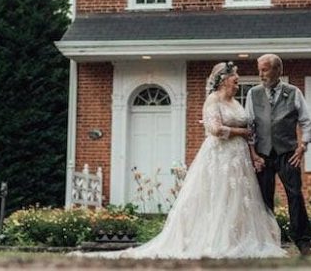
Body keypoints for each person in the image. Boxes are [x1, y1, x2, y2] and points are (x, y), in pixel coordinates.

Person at [76, 61, 286, 259]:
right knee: (218, 198)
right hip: (220, 156)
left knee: (239, 200)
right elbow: (214, 129)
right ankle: (215, 241)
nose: (237, 81)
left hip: (239, 159)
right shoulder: (213, 100)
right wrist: (241, 131)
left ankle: (238, 239)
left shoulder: (236, 102)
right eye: (235, 78)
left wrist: (253, 154)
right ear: (224, 80)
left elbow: (250, 133)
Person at [245, 54, 311, 256]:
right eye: (259, 70)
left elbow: (306, 122)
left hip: (288, 152)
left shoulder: (293, 92)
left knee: (295, 194)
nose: (261, 74)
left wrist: (303, 146)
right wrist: (254, 155)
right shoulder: (253, 94)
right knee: (264, 199)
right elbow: (249, 125)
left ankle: (303, 243)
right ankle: (267, 242)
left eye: (265, 69)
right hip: (263, 154)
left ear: (278, 71)